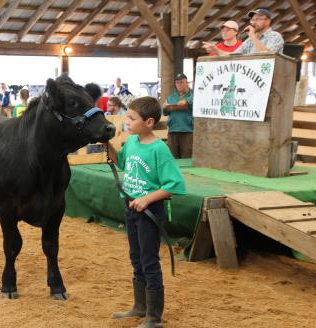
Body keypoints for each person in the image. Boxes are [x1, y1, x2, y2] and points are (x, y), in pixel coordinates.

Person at [107, 96, 186, 328]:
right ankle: (140, 307)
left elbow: (175, 184)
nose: (127, 122)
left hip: (149, 211)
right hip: (131, 208)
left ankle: (154, 318)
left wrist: (147, 198)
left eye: (132, 118)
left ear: (149, 122)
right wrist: (107, 145)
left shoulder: (159, 149)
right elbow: (121, 162)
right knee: (136, 257)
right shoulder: (131, 142)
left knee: (149, 260)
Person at [203, 8, 283, 55]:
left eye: (258, 19)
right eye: (252, 19)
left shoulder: (275, 36)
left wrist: (252, 36)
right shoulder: (249, 41)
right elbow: (234, 56)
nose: (253, 22)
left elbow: (267, 55)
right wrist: (217, 51)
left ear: (268, 21)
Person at [162, 73, 194, 159]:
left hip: (187, 130)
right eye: (177, 83)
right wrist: (165, 107)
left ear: (187, 83)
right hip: (173, 130)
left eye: (182, 82)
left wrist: (187, 102)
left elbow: (194, 101)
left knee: (187, 156)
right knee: (172, 157)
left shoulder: (193, 96)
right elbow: (165, 113)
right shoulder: (171, 97)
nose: (179, 84)